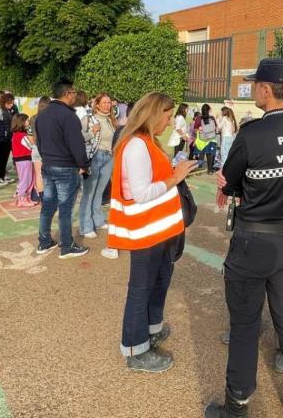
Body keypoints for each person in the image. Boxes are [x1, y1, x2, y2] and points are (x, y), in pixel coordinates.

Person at [206, 58, 283, 418]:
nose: (254, 89)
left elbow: (233, 180)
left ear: (266, 90)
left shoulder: (252, 133)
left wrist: (236, 184)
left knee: (244, 324)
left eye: (256, 84)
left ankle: (237, 406)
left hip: (253, 241)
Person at [107, 93, 198, 372]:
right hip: (145, 232)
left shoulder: (145, 142)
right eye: (168, 116)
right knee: (141, 289)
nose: (170, 122)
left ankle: (151, 331)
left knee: (158, 281)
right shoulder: (136, 145)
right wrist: (175, 177)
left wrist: (172, 173)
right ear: (153, 114)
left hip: (157, 230)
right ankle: (136, 349)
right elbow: (142, 193)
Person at [34, 81, 90, 258]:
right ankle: (66, 246)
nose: (75, 96)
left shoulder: (42, 115)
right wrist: (84, 164)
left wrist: (47, 158)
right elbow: (77, 144)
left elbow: (39, 141)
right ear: (67, 94)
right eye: (73, 92)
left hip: (48, 165)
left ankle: (44, 241)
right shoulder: (68, 116)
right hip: (65, 167)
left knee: (48, 205)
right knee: (65, 209)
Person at [88, 93, 119, 257]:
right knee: (90, 192)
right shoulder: (92, 119)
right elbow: (84, 138)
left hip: (109, 156)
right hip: (96, 156)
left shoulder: (112, 120)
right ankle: (87, 225)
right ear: (97, 104)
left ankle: (98, 220)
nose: (108, 105)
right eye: (104, 103)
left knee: (100, 192)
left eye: (109, 103)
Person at [12, 113, 38, 207]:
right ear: (21, 122)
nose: (29, 122)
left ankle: (27, 198)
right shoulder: (21, 135)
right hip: (23, 160)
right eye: (27, 120)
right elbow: (32, 145)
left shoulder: (17, 134)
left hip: (23, 160)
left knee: (29, 179)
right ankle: (22, 199)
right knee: (25, 179)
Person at [0, 93, 18, 185]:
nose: (12, 105)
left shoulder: (8, 110)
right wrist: (4, 134)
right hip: (1, 138)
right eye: (9, 103)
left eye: (12, 103)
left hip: (7, 138)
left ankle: (2, 176)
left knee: (5, 158)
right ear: (4, 102)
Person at [31, 96, 51, 202]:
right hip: (49, 148)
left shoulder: (33, 118)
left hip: (36, 147)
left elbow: (32, 136)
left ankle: (42, 198)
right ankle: (50, 196)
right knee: (50, 174)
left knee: (38, 174)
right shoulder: (52, 117)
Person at [194, 104, 219, 174]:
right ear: (209, 110)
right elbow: (216, 127)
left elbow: (195, 129)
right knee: (210, 155)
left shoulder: (198, 118)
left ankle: (199, 170)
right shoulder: (212, 118)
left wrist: (201, 132)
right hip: (211, 139)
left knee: (201, 155)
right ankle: (210, 170)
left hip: (201, 139)